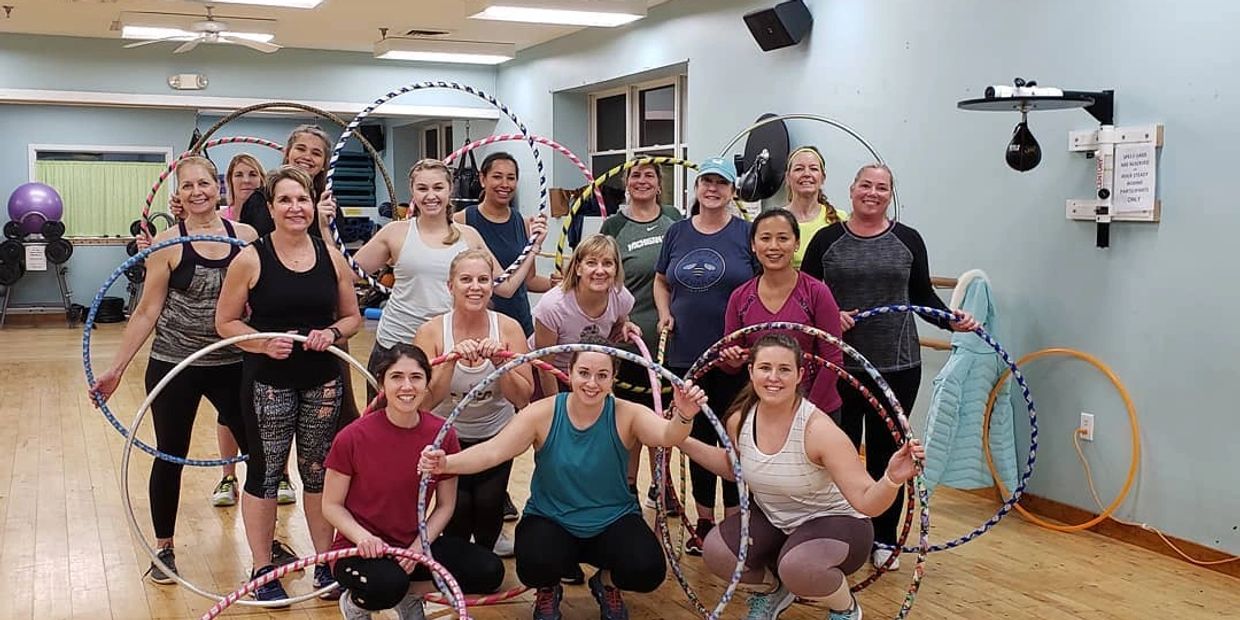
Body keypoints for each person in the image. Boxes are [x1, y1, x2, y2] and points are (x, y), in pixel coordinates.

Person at [419, 336, 707, 620]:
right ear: (568, 373)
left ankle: (606, 584)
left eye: (602, 375)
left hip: (612, 519)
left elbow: (667, 436)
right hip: (551, 518)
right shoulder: (542, 413)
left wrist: (684, 415)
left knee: (647, 569)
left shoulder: (626, 413)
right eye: (584, 373)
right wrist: (446, 462)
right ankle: (548, 589)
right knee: (534, 562)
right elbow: (493, 452)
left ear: (613, 379)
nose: (592, 383)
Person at [87, 156, 258, 584]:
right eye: (188, 186)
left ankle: (264, 543)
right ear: (177, 195)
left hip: (232, 362)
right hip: (174, 364)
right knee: (170, 455)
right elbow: (146, 311)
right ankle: (164, 549)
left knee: (259, 452)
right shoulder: (166, 244)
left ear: (218, 188)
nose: (198, 191)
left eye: (205, 183)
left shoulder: (248, 237)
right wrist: (116, 369)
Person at [800, 164, 978, 569]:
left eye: (882, 188)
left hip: (897, 365)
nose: (873, 193)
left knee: (886, 454)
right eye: (866, 185)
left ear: (890, 194)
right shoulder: (828, 239)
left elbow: (921, 295)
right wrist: (830, 316)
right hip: (838, 364)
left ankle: (883, 538)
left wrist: (952, 320)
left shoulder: (908, 240)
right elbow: (805, 296)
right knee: (836, 452)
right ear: (851, 189)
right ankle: (838, 535)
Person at [680, 334, 924, 620]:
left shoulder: (819, 431)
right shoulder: (739, 419)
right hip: (778, 521)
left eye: (784, 369)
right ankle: (774, 590)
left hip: (839, 527)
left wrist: (891, 479)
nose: (774, 377)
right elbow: (735, 467)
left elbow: (867, 502)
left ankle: (845, 608)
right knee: (717, 551)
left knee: (799, 567)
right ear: (751, 371)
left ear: (799, 375)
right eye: (765, 368)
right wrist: (679, 438)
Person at [216, 165, 363, 602]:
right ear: (271, 206)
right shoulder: (251, 257)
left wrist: (332, 333)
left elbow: (352, 317)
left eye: (302, 199)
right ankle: (264, 569)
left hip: (323, 381)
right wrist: (260, 344)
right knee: (265, 473)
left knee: (318, 472)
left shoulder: (331, 256)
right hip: (268, 382)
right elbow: (224, 322)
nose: (295, 208)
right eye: (285, 200)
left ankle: (323, 565)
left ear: (312, 203)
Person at [324, 343, 504, 620]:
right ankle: (357, 604)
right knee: (388, 584)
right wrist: (364, 538)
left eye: (416, 377)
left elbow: (445, 505)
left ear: (426, 383)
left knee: (489, 571)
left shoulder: (442, 434)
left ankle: (410, 593)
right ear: (382, 382)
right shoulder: (352, 436)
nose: (407, 386)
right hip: (359, 548)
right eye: (397, 377)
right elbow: (331, 506)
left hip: (414, 541)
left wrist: (418, 548)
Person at [355, 159, 546, 401]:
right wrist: (326, 229)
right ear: (412, 191)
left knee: (432, 423)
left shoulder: (469, 235)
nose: (430, 196)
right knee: (385, 425)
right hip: (396, 343)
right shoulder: (395, 232)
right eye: (422, 189)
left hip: (444, 347)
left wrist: (534, 247)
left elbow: (505, 287)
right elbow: (350, 271)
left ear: (450, 190)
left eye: (438, 188)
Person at [653, 156, 755, 555]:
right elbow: (662, 282)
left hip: (733, 355)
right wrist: (664, 313)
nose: (712, 189)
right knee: (695, 435)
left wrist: (745, 342)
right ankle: (704, 521)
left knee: (730, 434)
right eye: (706, 182)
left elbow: (759, 287)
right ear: (696, 189)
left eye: (721, 183)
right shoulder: (677, 233)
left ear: (732, 191)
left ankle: (733, 523)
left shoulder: (746, 233)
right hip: (685, 352)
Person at [413, 249, 534, 558]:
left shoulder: (508, 328)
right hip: (446, 437)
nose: (475, 287)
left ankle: (484, 555)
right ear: (450, 285)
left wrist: (500, 363)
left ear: (493, 285)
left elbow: (523, 397)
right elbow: (423, 404)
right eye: (465, 280)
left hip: (495, 437)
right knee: (458, 512)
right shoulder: (430, 332)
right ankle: (457, 561)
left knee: (487, 510)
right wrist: (449, 363)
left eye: (483, 279)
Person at [598, 161, 684, 514]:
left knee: (664, 415)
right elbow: (601, 275)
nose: (643, 180)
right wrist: (620, 319)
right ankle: (627, 486)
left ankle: (661, 484)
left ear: (659, 184)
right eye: (636, 175)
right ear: (625, 183)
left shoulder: (674, 218)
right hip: (629, 338)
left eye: (650, 175)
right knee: (632, 418)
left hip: (671, 335)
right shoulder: (614, 225)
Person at [720, 208, 844, 423]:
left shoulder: (816, 292)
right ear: (753, 244)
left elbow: (833, 359)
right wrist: (731, 360)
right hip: (762, 407)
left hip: (816, 409)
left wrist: (806, 412)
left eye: (783, 238)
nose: (774, 246)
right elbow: (728, 360)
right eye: (765, 238)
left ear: (796, 243)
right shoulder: (740, 297)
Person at [211, 152, 266, 508]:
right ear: (228, 182)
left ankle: (278, 475)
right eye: (239, 174)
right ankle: (227, 476)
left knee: (267, 406)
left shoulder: (267, 219)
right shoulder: (219, 220)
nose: (246, 180)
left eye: (253, 174)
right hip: (226, 324)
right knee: (227, 407)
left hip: (261, 323)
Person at [454, 152, 559, 337]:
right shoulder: (461, 222)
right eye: (497, 176)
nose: (505, 184)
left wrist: (556, 284)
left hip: (518, 324)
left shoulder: (524, 223)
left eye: (511, 178)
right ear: (482, 178)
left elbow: (528, 280)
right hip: (477, 325)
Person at [531, 234, 639, 398]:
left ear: (616, 268)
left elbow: (616, 327)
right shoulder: (553, 305)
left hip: (590, 372)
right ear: (578, 268)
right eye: (591, 263)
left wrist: (626, 325)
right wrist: (556, 409)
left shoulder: (620, 296)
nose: (600, 270)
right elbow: (545, 366)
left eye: (608, 263)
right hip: (551, 374)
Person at [780, 146, 849, 269]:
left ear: (822, 178)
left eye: (813, 169)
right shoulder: (775, 220)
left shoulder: (840, 219)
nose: (806, 174)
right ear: (788, 178)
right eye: (799, 169)